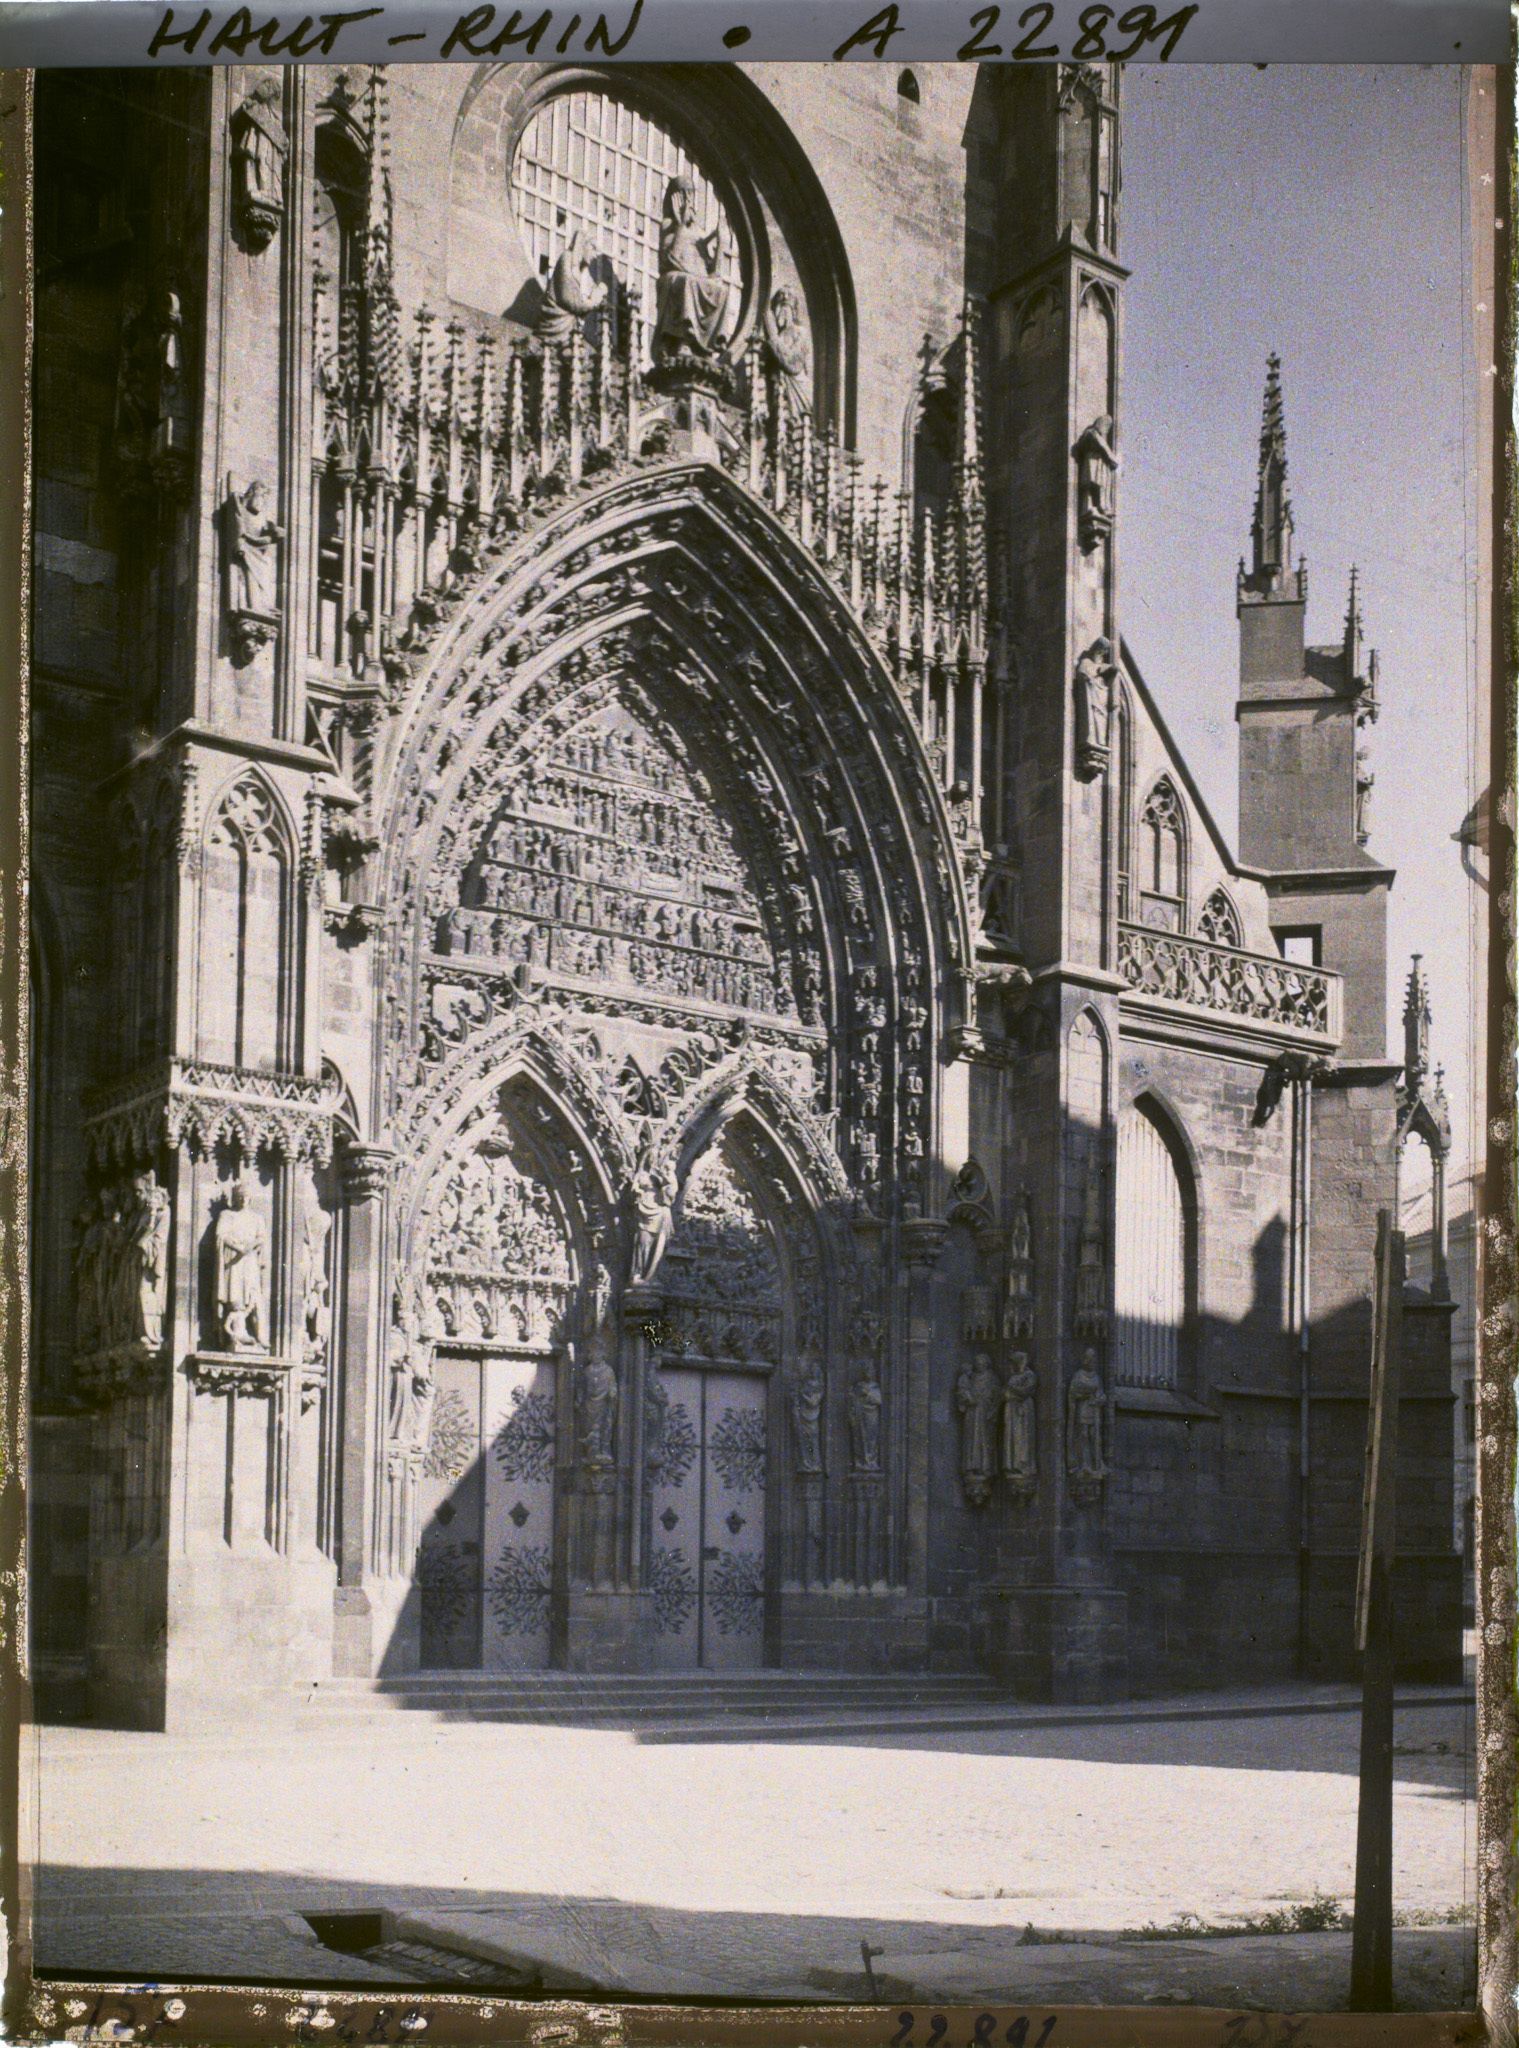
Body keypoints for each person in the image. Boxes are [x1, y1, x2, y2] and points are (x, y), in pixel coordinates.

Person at [652, 178, 730, 360]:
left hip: (696, 279)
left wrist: (721, 243)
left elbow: (713, 273)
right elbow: (670, 258)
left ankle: (712, 343)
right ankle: (683, 340)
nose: (688, 199)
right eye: (682, 194)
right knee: (688, 282)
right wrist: (680, 225)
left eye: (691, 193)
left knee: (721, 290)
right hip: (674, 279)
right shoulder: (668, 225)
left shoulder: (698, 232)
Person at [214, 1179, 267, 1352]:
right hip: (233, 1260)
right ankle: (237, 1331)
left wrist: (249, 1247)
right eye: (240, 1196)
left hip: (249, 1259)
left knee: (252, 1294)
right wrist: (239, 1248)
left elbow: (261, 1237)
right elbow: (221, 1235)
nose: (244, 1199)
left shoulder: (257, 1218)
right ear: (235, 1198)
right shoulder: (227, 1215)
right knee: (235, 1293)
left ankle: (255, 1333)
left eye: (246, 1196)